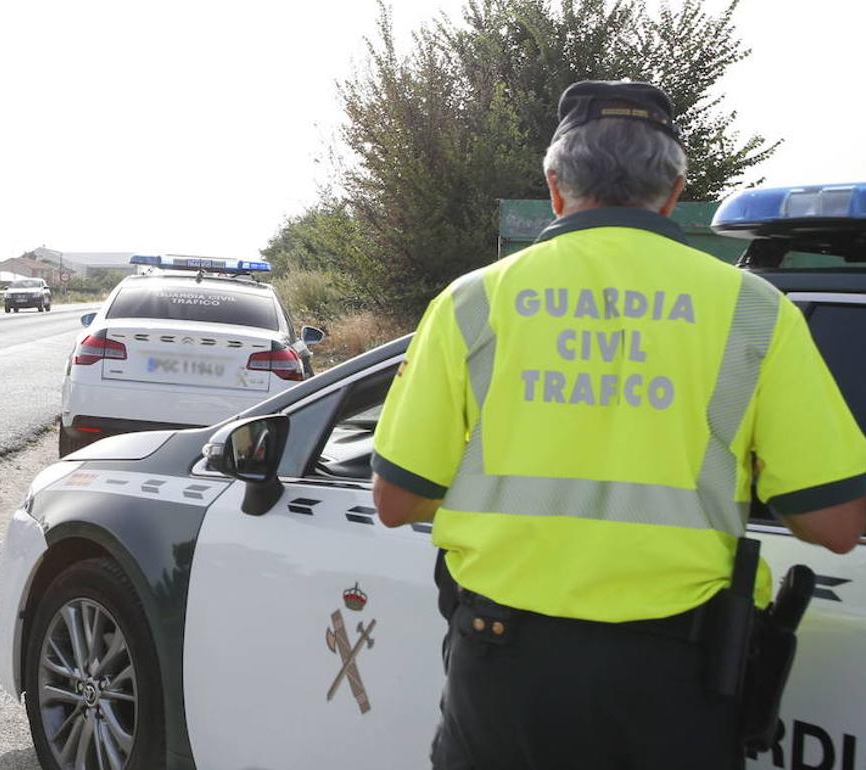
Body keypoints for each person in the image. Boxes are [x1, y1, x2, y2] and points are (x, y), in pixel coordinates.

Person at [370, 80, 866, 770]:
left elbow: (397, 502)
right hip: (678, 682)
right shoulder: (756, 313)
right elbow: (838, 525)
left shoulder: (471, 303)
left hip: (505, 671)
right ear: (673, 191)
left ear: (553, 186)